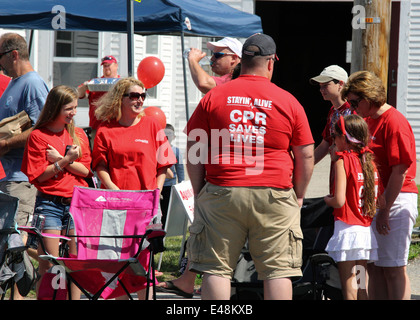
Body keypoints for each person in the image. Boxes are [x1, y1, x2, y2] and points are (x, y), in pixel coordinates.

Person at [185, 33, 314, 300]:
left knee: (216, 269)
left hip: (222, 190)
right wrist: (298, 193)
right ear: (271, 63)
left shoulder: (215, 97)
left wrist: (200, 192)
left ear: (241, 61)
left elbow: (195, 148)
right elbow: (306, 155)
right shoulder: (288, 101)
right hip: (274, 193)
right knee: (277, 271)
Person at [91, 77, 176, 299]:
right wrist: (112, 188)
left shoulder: (152, 125)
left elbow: (164, 165)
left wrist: (155, 194)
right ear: (121, 98)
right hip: (115, 205)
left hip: (146, 205)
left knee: (144, 264)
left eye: (142, 96)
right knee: (118, 264)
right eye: (134, 96)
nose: (140, 100)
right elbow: (99, 165)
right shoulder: (105, 129)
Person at [341, 71, 418, 300]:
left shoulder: (394, 122)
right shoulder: (368, 119)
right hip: (377, 202)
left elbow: (400, 172)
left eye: (355, 102)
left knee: (393, 269)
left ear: (369, 97)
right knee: (373, 267)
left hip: (396, 200)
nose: (353, 108)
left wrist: (384, 211)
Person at [21, 85, 92, 299]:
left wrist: (61, 161)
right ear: (55, 108)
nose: (73, 113)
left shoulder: (78, 134)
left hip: (76, 203)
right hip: (49, 204)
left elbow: (86, 170)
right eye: (68, 108)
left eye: (75, 108)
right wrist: (69, 159)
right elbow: (39, 176)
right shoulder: (38, 136)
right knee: (49, 261)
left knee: (75, 260)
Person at [0, 32, 49, 300]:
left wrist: (6, 145)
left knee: (15, 246)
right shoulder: (15, 83)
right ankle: (47, 264)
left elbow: (42, 130)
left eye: (1, 57)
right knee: (9, 245)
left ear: (14, 54)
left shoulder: (32, 83)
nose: (0, 64)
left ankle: (48, 268)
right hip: (9, 177)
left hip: (22, 178)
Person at [324, 114, 379, 300]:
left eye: (334, 136)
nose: (333, 141)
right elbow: (381, 201)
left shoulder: (342, 160)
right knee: (361, 285)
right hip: (364, 233)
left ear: (344, 138)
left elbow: (339, 200)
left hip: (348, 232)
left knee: (349, 288)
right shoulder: (369, 162)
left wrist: (326, 199)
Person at [310, 65, 352, 193]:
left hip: (350, 171)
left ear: (340, 84)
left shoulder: (353, 110)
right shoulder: (333, 111)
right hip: (336, 170)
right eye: (320, 86)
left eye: (325, 85)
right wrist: (304, 166)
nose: (321, 89)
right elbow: (325, 144)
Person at [77, 55, 120, 142]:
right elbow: (78, 94)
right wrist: (85, 86)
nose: (106, 68)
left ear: (116, 66)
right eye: (104, 66)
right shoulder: (95, 82)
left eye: (109, 65)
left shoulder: (122, 83)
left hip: (116, 128)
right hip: (96, 128)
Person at [160, 123, 185, 228]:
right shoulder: (156, 149)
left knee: (167, 208)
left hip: (170, 185)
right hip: (157, 184)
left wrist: (181, 182)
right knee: (158, 208)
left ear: (173, 137)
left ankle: (165, 227)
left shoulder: (176, 151)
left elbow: (180, 168)